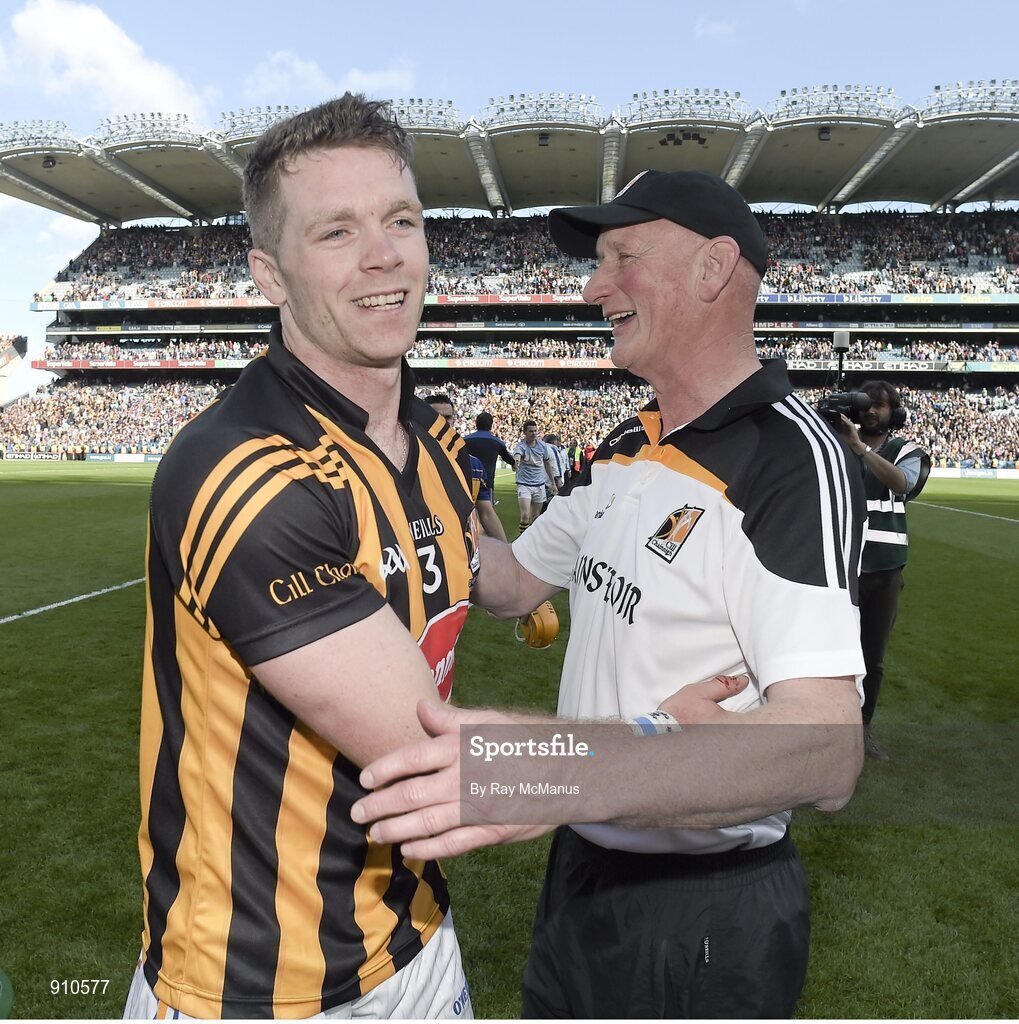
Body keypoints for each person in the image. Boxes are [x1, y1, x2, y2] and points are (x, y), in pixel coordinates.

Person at [352, 169, 867, 1019]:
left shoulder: (788, 461)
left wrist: (548, 770)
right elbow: (513, 583)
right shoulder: (628, 442)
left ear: (712, 269)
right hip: (582, 869)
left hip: (704, 909)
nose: (594, 287)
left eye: (622, 257)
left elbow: (827, 753)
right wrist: (415, 502)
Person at [124, 94, 478, 1020]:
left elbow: (495, 568)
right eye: (336, 232)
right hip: (253, 985)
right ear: (269, 276)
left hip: (418, 938)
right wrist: (643, 746)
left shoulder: (432, 440)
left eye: (401, 219)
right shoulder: (242, 470)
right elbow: (429, 753)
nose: (384, 255)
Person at [839, 380, 930, 760]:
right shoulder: (836, 445)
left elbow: (902, 483)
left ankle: (862, 729)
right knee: (832, 653)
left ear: (896, 413)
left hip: (885, 569)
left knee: (871, 658)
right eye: (867, 404)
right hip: (840, 564)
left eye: (880, 405)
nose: (872, 411)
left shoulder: (906, 451)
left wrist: (859, 449)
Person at [462, 410, 514, 543]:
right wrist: (515, 463)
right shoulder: (497, 442)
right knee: (485, 514)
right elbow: (509, 459)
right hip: (486, 483)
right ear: (491, 425)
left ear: (476, 423)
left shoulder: (465, 440)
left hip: (466, 482)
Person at [513, 419, 558, 532]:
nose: (534, 433)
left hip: (539, 484)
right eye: (531, 431)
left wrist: (553, 483)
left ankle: (531, 541)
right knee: (525, 516)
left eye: (535, 431)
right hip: (524, 484)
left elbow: (547, 464)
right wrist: (516, 463)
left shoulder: (542, 446)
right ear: (525, 432)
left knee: (536, 517)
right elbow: (517, 456)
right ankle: (522, 539)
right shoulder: (521, 446)